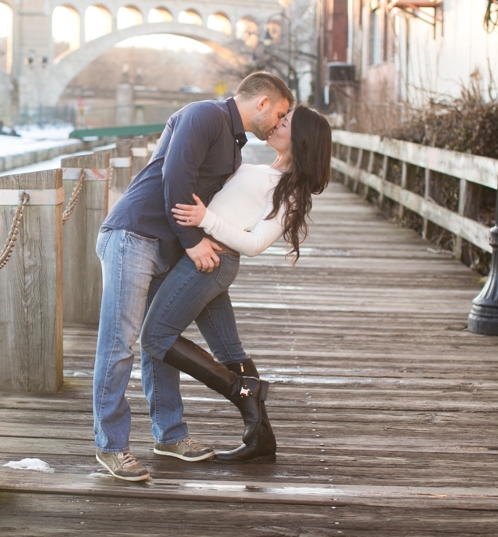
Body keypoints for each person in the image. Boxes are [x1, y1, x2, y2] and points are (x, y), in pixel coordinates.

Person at [92, 72, 294, 482]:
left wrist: (202, 236)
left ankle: (169, 434)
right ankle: (111, 446)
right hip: (135, 234)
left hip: (166, 246)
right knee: (119, 343)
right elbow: (176, 177)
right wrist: (193, 241)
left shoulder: (233, 143)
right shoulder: (204, 115)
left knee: (157, 341)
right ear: (262, 102)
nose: (279, 122)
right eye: (281, 112)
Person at [139, 105, 332, 463]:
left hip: (213, 264)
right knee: (230, 352)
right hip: (203, 259)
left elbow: (255, 244)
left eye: (285, 122)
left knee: (154, 337)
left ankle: (240, 390)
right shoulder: (259, 169)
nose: (276, 124)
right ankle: (261, 438)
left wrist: (205, 219)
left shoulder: (290, 192)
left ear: (302, 140)